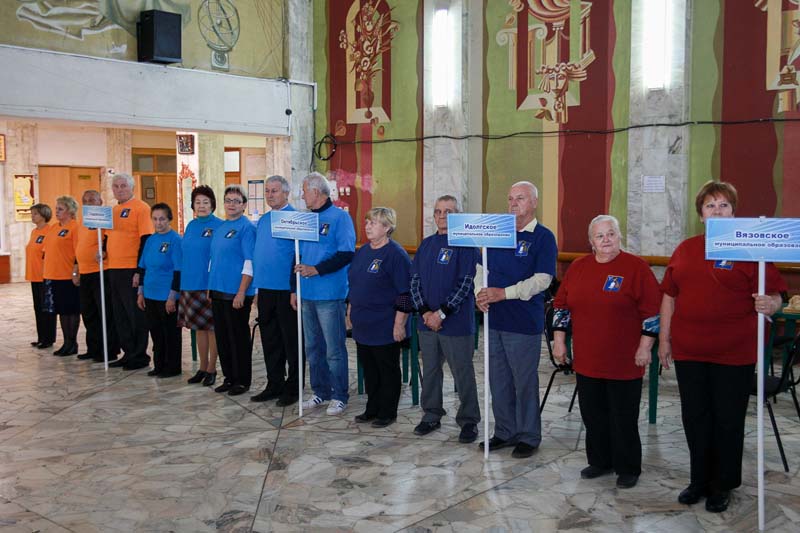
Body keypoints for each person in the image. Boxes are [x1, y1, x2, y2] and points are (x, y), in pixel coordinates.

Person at [658, 181, 787, 513]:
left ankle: (723, 484)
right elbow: (669, 295)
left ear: (734, 211)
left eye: (724, 205)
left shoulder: (751, 249)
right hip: (689, 350)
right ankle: (699, 480)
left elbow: (777, 295)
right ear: (700, 214)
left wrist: (770, 304)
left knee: (727, 420)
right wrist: (664, 339)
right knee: (695, 417)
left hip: (734, 353)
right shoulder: (685, 249)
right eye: (710, 206)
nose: (717, 210)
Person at [552, 215, 661, 489]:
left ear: (619, 236)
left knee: (623, 416)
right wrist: (559, 341)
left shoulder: (636, 268)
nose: (606, 239)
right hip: (588, 359)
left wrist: (645, 347)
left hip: (625, 359)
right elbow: (561, 306)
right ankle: (600, 461)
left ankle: (628, 466)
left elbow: (652, 312)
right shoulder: (578, 268)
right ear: (591, 242)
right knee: (593, 413)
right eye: (599, 236)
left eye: (611, 233)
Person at [475, 181, 557, 458]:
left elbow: (543, 280)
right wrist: (480, 293)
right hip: (494, 320)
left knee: (524, 382)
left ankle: (529, 435)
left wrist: (504, 293)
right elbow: (479, 267)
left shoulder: (543, 237)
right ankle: (504, 431)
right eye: (510, 198)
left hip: (523, 322)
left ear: (534, 202)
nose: (513, 203)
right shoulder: (498, 232)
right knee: (498, 380)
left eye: (520, 198)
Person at [410, 195, 481, 443]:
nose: (442, 216)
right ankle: (431, 414)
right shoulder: (426, 245)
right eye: (438, 212)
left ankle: (469, 420)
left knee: (462, 373)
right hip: (427, 323)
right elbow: (415, 281)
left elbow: (466, 284)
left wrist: (441, 313)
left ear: (458, 215)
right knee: (430, 371)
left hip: (456, 323)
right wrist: (426, 313)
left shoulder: (467, 245)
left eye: (449, 212)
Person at [292, 172, 356, 416]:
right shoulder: (306, 220)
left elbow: (346, 253)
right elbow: (297, 255)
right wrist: (294, 288)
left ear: (316, 192)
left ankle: (340, 395)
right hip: (306, 293)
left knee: (334, 349)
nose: (303, 195)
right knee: (313, 348)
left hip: (330, 294)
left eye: (305, 191)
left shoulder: (340, 218)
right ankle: (320, 391)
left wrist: (316, 269)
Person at [348, 207, 411, 427]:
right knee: (370, 369)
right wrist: (350, 311)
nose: (367, 226)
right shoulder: (363, 251)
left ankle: (388, 411)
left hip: (385, 323)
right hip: (363, 323)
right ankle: (372, 408)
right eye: (366, 222)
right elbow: (354, 284)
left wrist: (399, 324)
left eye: (373, 223)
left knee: (387, 369)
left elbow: (405, 293)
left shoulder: (396, 255)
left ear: (387, 227)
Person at [252, 175, 302, 406]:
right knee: (270, 340)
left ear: (286, 193)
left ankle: (293, 389)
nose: (270, 195)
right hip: (266, 290)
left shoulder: (295, 218)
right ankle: (274, 384)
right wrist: (257, 288)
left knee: (291, 341)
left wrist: (294, 289)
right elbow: (259, 255)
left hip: (286, 291)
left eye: (274, 191)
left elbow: (298, 256)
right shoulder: (263, 220)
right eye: (268, 191)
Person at [208, 185, 256, 396]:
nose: (231, 204)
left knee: (238, 338)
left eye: (236, 201)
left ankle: (242, 380)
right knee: (223, 337)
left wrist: (241, 292)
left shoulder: (247, 228)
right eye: (228, 200)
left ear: (244, 205)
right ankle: (228, 377)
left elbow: (249, 261)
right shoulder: (221, 227)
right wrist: (211, 288)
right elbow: (214, 259)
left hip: (237, 292)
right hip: (218, 290)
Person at [106, 173, 153, 371]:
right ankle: (128, 352)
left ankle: (139, 354)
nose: (119, 189)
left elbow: (146, 240)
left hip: (130, 269)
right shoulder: (114, 210)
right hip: (113, 268)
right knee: (120, 314)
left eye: (123, 185)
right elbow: (108, 238)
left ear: (132, 187)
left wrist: (138, 271)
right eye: (116, 186)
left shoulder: (141, 208)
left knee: (135, 313)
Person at [179, 185, 223, 387]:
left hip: (208, 285)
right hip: (189, 284)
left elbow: (219, 258)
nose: (202, 205)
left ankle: (213, 368)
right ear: (193, 205)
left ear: (212, 204)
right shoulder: (191, 226)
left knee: (212, 328)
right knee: (198, 328)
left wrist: (212, 284)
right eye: (198, 202)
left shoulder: (219, 226)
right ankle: (202, 367)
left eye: (206, 202)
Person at [137, 203, 183, 378]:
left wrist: (172, 297)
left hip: (167, 295)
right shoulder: (150, 239)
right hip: (150, 293)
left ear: (169, 219)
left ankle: (172, 367)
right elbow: (143, 267)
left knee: (170, 333)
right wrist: (140, 292)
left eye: (162, 219)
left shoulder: (175, 240)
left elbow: (178, 270)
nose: (158, 223)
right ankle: (159, 365)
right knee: (155, 332)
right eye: (155, 219)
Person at [74, 190, 120, 363]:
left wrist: (104, 249)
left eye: (92, 199)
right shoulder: (82, 221)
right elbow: (78, 245)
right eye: (85, 200)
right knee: (88, 313)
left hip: (101, 271)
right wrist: (76, 269)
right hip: (85, 272)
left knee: (105, 313)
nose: (89, 202)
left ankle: (109, 350)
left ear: (100, 201)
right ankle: (93, 348)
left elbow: (108, 238)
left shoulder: (105, 218)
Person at [43, 196, 81, 357]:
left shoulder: (75, 227)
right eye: (56, 208)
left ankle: (72, 343)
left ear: (70, 211)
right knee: (61, 311)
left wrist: (75, 273)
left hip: (67, 276)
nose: (56, 212)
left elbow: (78, 253)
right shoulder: (53, 228)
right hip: (53, 274)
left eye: (60, 209)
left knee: (71, 310)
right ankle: (66, 342)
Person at [26, 203, 56, 349]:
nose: (33, 216)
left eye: (35, 214)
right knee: (37, 307)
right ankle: (41, 337)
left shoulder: (49, 231)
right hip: (34, 275)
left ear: (44, 215)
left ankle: (48, 339)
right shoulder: (34, 232)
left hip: (45, 275)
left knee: (47, 308)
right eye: (32, 213)